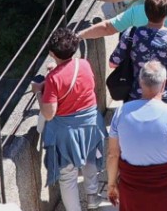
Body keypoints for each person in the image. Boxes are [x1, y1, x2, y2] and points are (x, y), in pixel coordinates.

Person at [107, 60, 167, 211]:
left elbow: (113, 154)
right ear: (164, 84)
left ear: (140, 82)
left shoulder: (121, 112)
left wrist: (112, 184)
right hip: (165, 190)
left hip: (131, 188)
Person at [40, 26, 106, 211]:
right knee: (90, 160)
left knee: (67, 175)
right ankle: (92, 197)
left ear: (52, 53)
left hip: (67, 132)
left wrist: (39, 92)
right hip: (91, 123)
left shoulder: (53, 79)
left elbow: (49, 113)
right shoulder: (83, 64)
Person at [108, 0, 167, 108]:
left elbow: (113, 63)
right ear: (166, 14)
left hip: (137, 95)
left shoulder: (131, 34)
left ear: (146, 13)